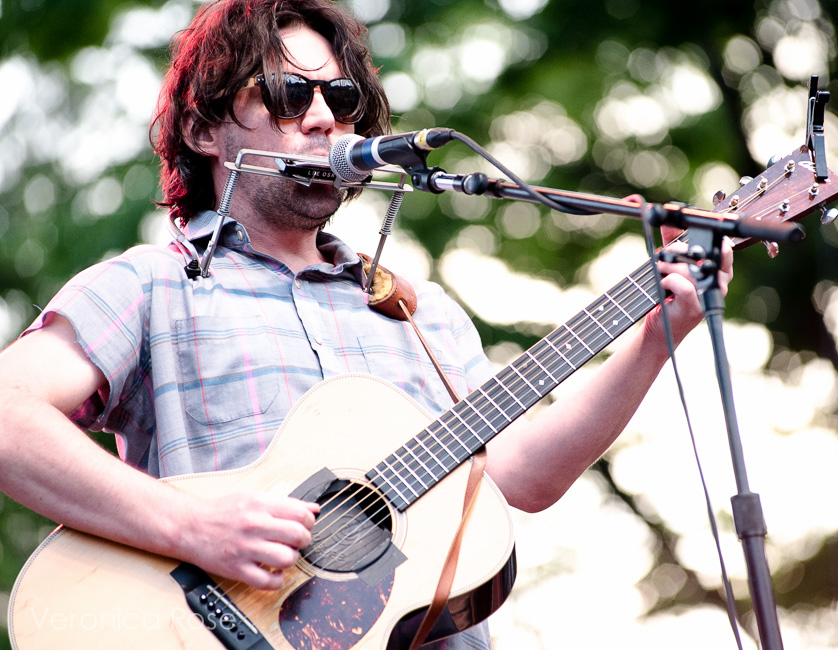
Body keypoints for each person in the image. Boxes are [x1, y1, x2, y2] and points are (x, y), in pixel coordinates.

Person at [0, 0, 732, 647]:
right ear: (203, 129)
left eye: (341, 97)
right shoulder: (152, 285)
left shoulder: (421, 316)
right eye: (289, 93)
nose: (322, 117)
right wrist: (189, 527)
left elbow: (519, 479)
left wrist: (652, 339)